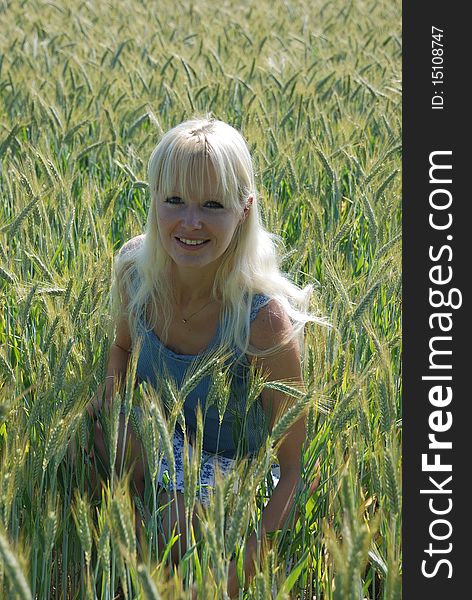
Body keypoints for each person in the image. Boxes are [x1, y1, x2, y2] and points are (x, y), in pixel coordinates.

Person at [87, 116, 324, 596]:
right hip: (165, 437)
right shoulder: (135, 271)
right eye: (174, 200)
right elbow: (121, 348)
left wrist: (236, 575)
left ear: (243, 210)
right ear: (153, 198)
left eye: (212, 205)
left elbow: (297, 471)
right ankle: (134, 562)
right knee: (80, 447)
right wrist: (110, 412)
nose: (189, 222)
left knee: (176, 526)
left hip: (234, 466)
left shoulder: (262, 321)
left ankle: (155, 567)